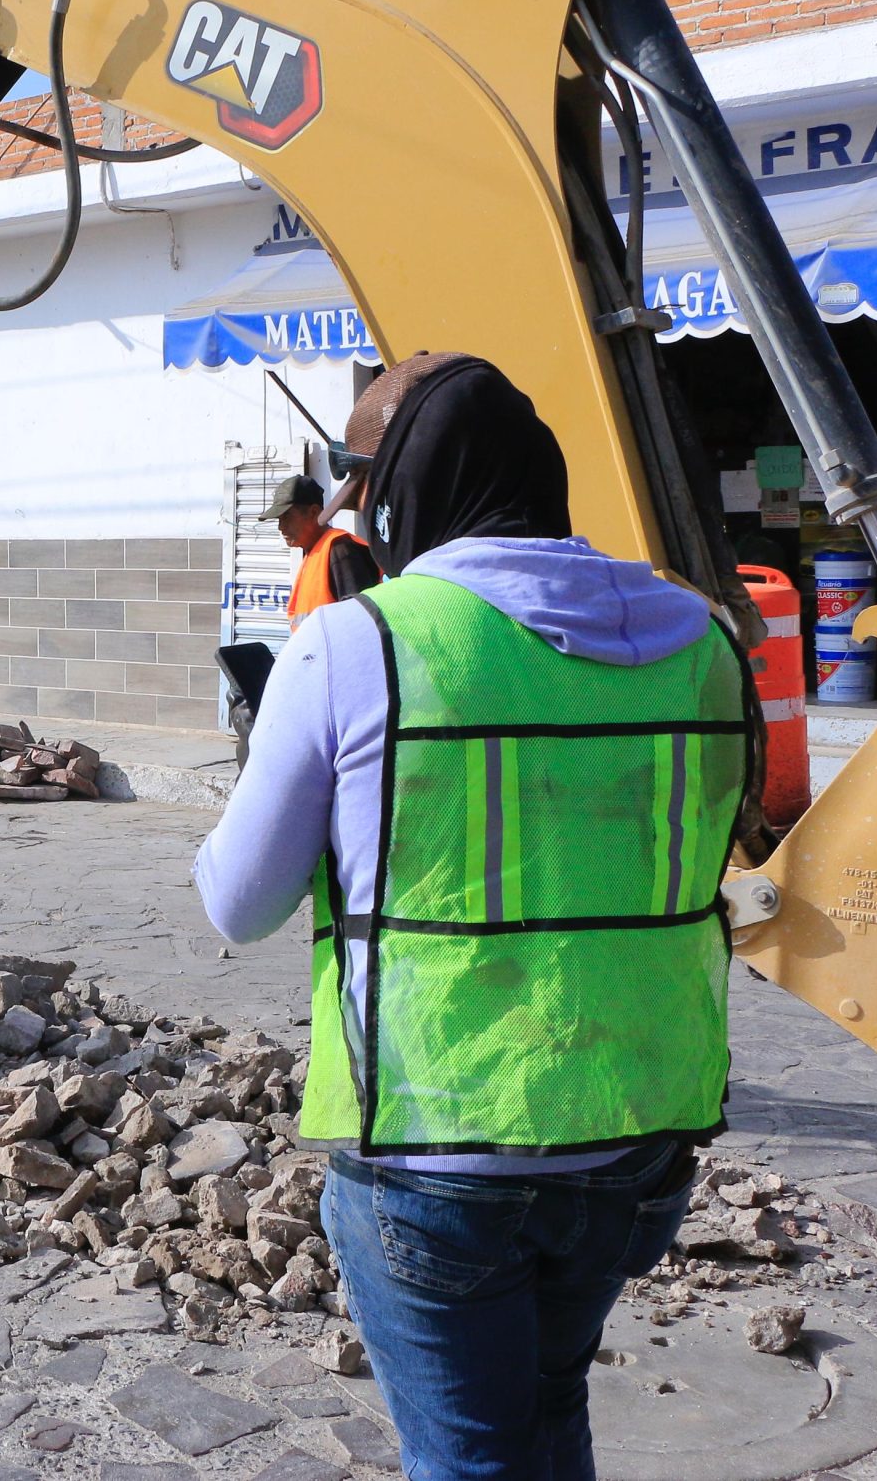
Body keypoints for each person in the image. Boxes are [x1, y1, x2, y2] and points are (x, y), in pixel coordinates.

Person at [195, 353, 750, 1480]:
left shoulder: (361, 644)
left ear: (395, 493)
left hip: (436, 1145)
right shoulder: (703, 639)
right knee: (549, 1417)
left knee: (469, 1458)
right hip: (638, 1133)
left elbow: (237, 904)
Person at [262, 472, 377, 620]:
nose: (281, 527)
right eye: (279, 519)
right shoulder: (315, 552)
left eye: (287, 517)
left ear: (314, 512)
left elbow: (360, 621)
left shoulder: (340, 549)